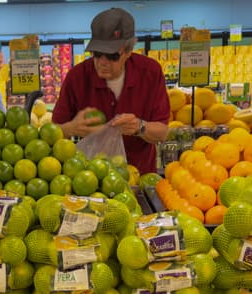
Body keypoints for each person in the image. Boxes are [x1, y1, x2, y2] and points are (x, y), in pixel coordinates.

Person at [52, 7, 169, 174]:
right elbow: (53, 132)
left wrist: (139, 127)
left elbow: (163, 132)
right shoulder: (77, 77)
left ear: (128, 51)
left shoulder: (150, 73)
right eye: (97, 54)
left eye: (113, 55)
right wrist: (71, 128)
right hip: (91, 179)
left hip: (139, 176)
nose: (102, 62)